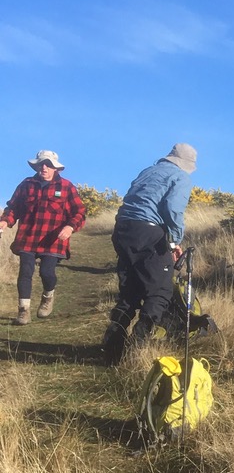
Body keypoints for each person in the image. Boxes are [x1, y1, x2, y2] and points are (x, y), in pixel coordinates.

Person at [103, 143, 196, 365]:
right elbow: (173, 209)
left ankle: (112, 346)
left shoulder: (148, 171)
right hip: (147, 232)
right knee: (160, 291)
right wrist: (175, 240)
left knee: (131, 290)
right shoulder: (180, 177)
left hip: (123, 230)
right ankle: (137, 346)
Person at [0, 150, 87, 325]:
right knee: (25, 272)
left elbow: (79, 212)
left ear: (56, 168)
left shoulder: (66, 186)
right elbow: (14, 207)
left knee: (47, 273)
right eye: (41, 164)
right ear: (37, 167)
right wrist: (5, 221)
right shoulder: (26, 185)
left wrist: (70, 227)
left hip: (53, 239)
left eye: (48, 165)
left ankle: (48, 296)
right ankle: (23, 310)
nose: (44, 168)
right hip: (28, 236)